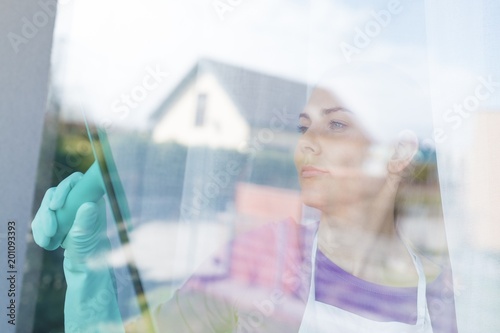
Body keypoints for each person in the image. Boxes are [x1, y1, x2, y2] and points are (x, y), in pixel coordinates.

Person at [32, 63, 458, 332]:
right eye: (303, 127)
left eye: (337, 125)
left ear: (400, 152)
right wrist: (87, 272)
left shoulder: (444, 296)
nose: (307, 144)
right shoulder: (262, 256)